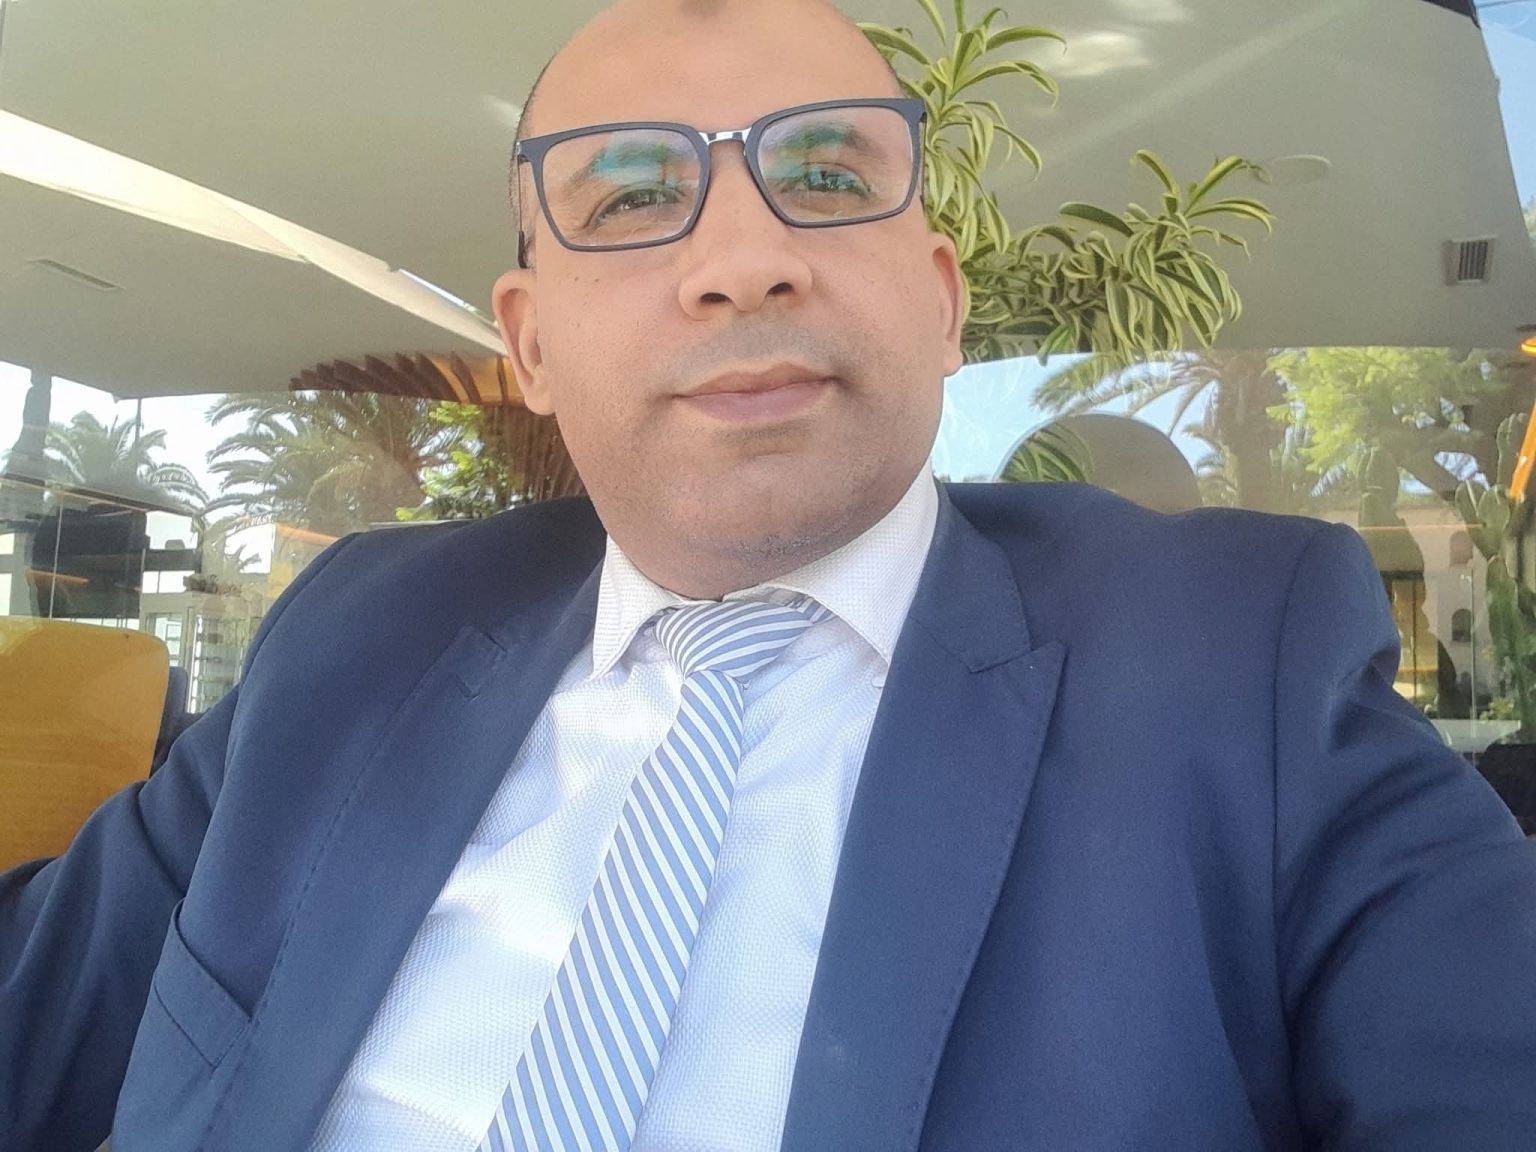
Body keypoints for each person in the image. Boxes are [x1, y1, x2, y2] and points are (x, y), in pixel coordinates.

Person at [4, 0, 1536, 1148]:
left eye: (827, 175)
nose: (744, 260)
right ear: (529, 344)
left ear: (941, 304)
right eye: (629, 196)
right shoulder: (356, 639)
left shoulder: (1240, 667)